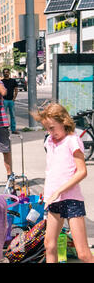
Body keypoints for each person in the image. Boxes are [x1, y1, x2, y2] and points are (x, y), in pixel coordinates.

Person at [32, 103, 94, 263]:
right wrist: (48, 193)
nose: (50, 132)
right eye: (47, 128)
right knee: (49, 245)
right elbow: (52, 170)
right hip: (54, 200)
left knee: (82, 253)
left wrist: (59, 190)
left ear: (64, 121)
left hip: (71, 200)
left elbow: (82, 171)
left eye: (52, 128)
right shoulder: (50, 142)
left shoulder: (72, 141)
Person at [1, 68, 19, 134]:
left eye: (7, 72)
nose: (6, 73)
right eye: (4, 72)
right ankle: (4, 129)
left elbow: (16, 89)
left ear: (9, 73)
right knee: (4, 115)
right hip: (4, 100)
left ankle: (13, 129)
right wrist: (1, 98)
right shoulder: (1, 81)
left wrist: (14, 98)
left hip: (11, 100)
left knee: (13, 115)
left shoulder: (13, 81)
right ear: (3, 73)